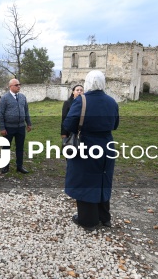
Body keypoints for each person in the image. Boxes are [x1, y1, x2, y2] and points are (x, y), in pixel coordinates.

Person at [62, 70, 119, 231]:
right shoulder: (111, 101)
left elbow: (69, 124)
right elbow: (115, 125)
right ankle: (104, 217)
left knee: (85, 181)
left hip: (87, 145)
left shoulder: (82, 100)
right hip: (106, 145)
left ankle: (88, 219)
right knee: (102, 179)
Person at [0, 78, 32, 174]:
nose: (18, 86)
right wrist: (2, 128)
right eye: (16, 85)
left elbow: (26, 111)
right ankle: (5, 166)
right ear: (10, 86)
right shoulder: (4, 98)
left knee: (20, 147)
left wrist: (28, 123)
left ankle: (19, 166)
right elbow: (0, 114)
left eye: (19, 84)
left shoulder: (22, 97)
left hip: (20, 127)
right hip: (9, 127)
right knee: (6, 147)